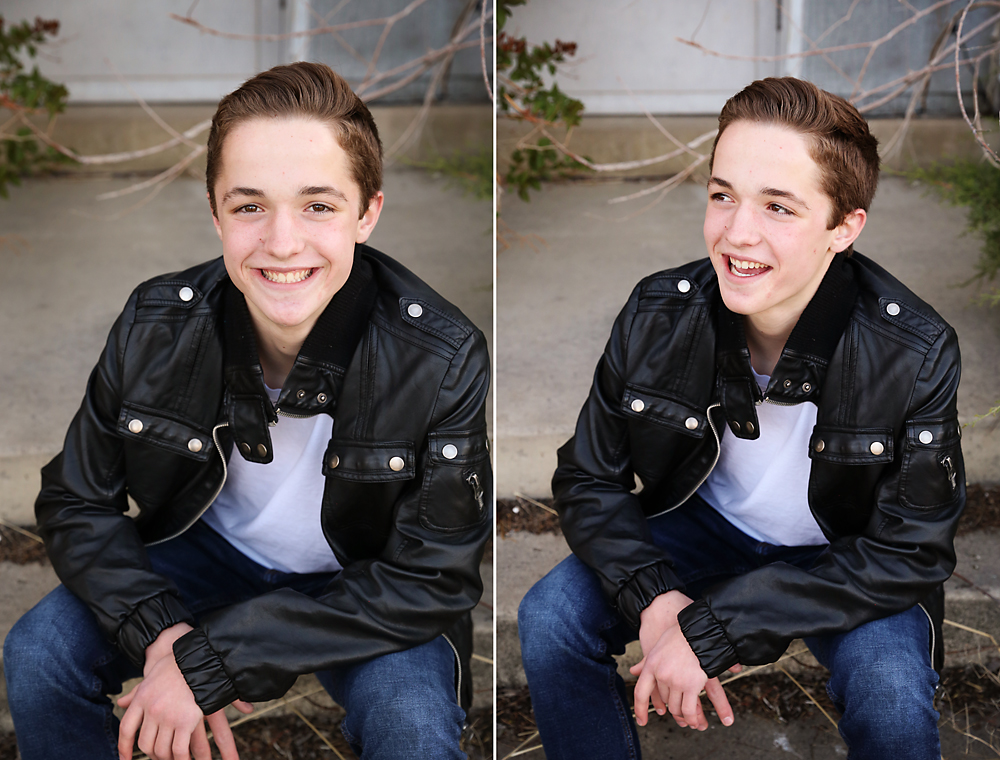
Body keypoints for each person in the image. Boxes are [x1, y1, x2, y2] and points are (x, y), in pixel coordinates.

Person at [3, 61, 491, 760]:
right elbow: (78, 500)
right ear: (215, 212)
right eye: (249, 205)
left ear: (368, 213)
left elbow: (433, 576)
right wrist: (170, 640)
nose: (283, 242)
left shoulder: (441, 355)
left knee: (412, 724)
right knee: (40, 653)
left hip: (366, 586)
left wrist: (211, 662)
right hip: (209, 557)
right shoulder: (156, 323)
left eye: (318, 205)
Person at [518, 77, 964, 760]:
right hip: (708, 531)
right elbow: (589, 478)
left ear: (843, 227)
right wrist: (658, 599)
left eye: (779, 207)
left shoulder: (915, 349)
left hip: (850, 557)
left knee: (891, 691)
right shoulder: (659, 312)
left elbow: (909, 550)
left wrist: (713, 630)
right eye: (723, 194)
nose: (737, 231)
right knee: (550, 617)